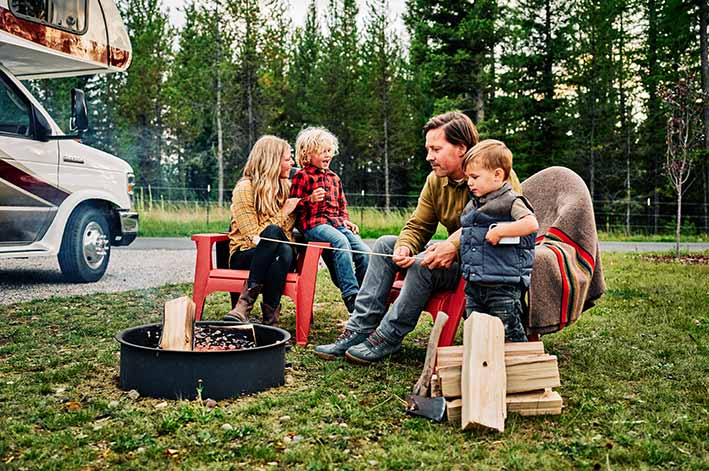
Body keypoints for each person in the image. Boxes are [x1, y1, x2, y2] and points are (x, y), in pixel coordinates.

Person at [315, 111, 522, 364]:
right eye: (428, 149)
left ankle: (388, 337)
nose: (429, 157)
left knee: (424, 262)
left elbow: (491, 223)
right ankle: (359, 329)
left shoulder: (496, 175)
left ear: (461, 148)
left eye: (436, 149)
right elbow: (418, 224)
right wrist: (404, 246)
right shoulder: (435, 181)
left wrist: (452, 245)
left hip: (484, 268)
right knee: (385, 244)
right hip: (451, 258)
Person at [459, 139, 539, 342]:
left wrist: (502, 231)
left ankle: (519, 364)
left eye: (475, 177)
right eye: (468, 177)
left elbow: (531, 224)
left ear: (497, 175)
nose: (469, 182)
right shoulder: (473, 206)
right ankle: (481, 366)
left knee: (508, 328)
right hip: (475, 284)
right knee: (475, 328)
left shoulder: (512, 201)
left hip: (502, 286)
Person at [289, 127, 371, 313]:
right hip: (314, 224)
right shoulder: (303, 176)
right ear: (307, 154)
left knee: (365, 252)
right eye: (322, 151)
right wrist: (309, 199)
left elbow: (342, 206)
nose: (328, 155)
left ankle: (363, 294)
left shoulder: (335, 178)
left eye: (329, 151)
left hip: (337, 224)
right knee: (340, 242)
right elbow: (293, 205)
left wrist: (346, 220)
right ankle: (350, 295)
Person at [223, 135, 300, 326]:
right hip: (246, 254)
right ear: (272, 161)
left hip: (281, 256)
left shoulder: (288, 189)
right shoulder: (245, 188)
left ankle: (244, 306)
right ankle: (270, 322)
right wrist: (283, 213)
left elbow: (289, 232)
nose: (292, 163)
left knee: (281, 248)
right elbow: (253, 237)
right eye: (287, 158)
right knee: (275, 238)